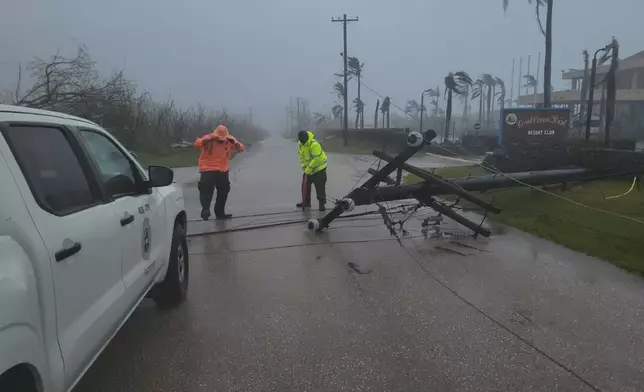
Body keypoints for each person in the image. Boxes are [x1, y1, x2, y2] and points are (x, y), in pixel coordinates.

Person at [194, 125, 245, 220]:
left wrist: (234, 142)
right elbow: (197, 144)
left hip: (223, 169)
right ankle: (205, 209)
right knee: (206, 190)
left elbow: (241, 148)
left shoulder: (229, 140)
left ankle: (220, 212)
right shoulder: (209, 138)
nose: (221, 140)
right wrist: (209, 139)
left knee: (224, 191)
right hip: (207, 169)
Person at [296, 130, 328, 211]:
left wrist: (309, 169)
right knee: (305, 185)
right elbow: (301, 157)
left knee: (319, 186)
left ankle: (322, 204)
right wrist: (304, 167)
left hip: (319, 168)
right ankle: (306, 202)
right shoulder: (300, 144)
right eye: (301, 141)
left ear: (307, 138)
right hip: (308, 169)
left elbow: (316, 158)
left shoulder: (314, 144)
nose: (302, 142)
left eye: (303, 140)